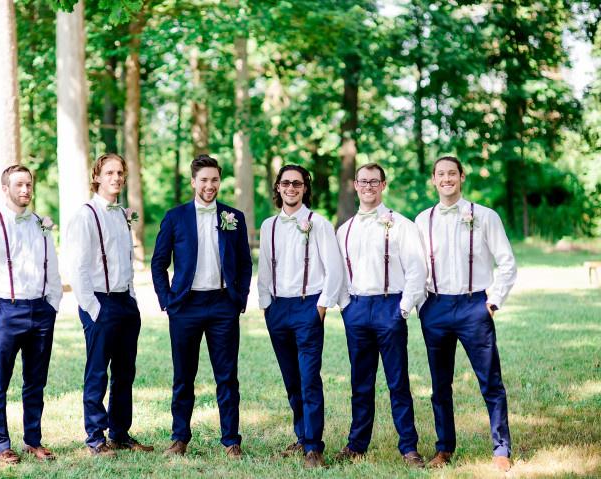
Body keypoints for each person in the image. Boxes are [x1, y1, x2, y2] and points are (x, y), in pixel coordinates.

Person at [415, 156, 517, 472]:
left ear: (461, 177)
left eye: (452, 174)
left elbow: (507, 261)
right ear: (433, 179)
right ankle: (444, 448)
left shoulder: (485, 216)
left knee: (490, 380)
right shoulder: (422, 220)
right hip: (436, 307)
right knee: (440, 384)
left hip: (475, 306)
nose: (446, 179)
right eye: (440, 174)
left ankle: (501, 448)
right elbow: (416, 267)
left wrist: (494, 299)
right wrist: (421, 305)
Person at [151, 154, 252, 458]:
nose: (210, 185)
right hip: (186, 306)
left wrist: (240, 299)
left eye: (215, 180)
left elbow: (245, 263)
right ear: (194, 182)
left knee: (227, 376)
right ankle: (180, 438)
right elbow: (158, 263)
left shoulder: (233, 217)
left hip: (223, 305)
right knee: (184, 376)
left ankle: (231, 440)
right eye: (204, 180)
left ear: (220, 181)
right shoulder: (175, 217)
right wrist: (168, 300)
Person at [334, 163, 426, 467]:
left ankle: (408, 447)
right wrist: (346, 305)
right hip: (357, 310)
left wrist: (403, 307)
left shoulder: (401, 224)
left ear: (383, 185)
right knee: (360, 382)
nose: (368, 186)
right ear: (355, 186)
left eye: (374, 181)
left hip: (390, 308)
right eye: (363, 181)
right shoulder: (344, 229)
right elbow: (339, 273)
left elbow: (416, 268)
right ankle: (357, 444)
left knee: (397, 381)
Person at [66, 153, 153, 456]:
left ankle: (120, 432)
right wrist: (93, 308)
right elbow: (77, 267)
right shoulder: (86, 215)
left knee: (125, 372)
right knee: (98, 372)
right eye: (110, 173)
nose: (116, 178)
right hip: (100, 303)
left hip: (125, 302)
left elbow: (125, 261)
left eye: (120, 173)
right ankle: (95, 437)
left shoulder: (120, 214)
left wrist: (131, 297)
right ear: (97, 177)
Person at [0, 164, 62, 464]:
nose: (25, 190)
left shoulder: (41, 224)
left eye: (28, 184)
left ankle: (32, 440)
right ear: (5, 189)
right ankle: (0, 443)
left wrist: (53, 305)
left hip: (40, 310)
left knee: (36, 381)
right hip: (7, 310)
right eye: (19, 185)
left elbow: (52, 266)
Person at [257, 164, 344, 468]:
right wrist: (266, 304)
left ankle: (314, 447)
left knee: (309, 379)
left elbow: (335, 268)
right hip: (278, 309)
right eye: (285, 183)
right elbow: (265, 267)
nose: (291, 188)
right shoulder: (268, 225)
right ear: (278, 188)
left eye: (297, 183)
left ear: (305, 188)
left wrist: (321, 306)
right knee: (291, 380)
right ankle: (302, 435)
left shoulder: (317, 223)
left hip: (308, 307)